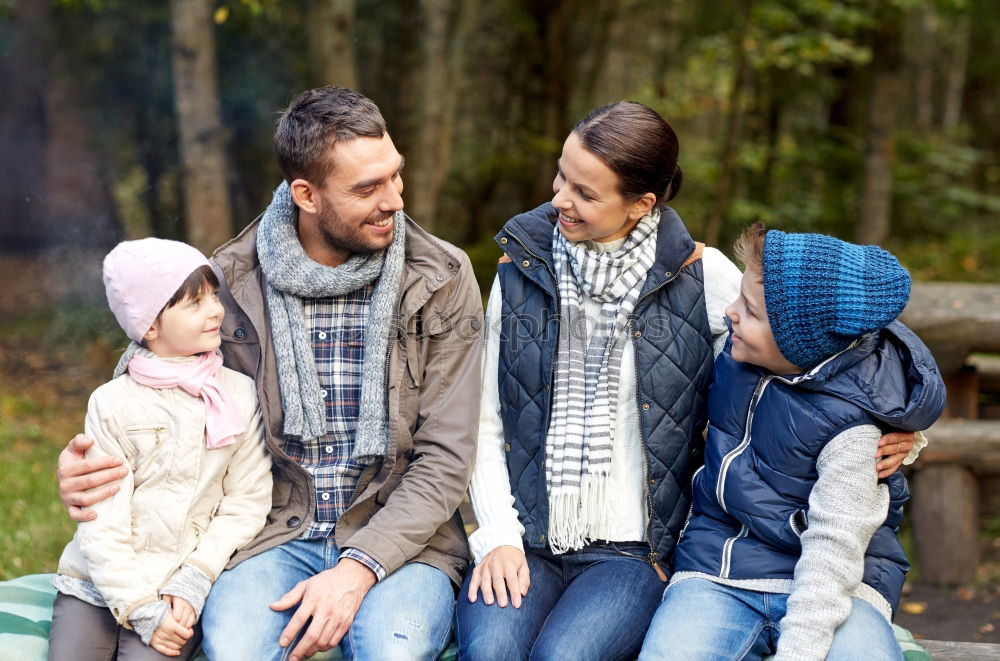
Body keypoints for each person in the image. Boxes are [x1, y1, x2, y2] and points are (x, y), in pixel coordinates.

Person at [455, 101, 919, 660]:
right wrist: (498, 537)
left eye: (585, 192)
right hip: (524, 536)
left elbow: (836, 350)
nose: (558, 198)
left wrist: (907, 428)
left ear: (641, 204)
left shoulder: (703, 277)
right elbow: (484, 415)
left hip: (632, 552)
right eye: (561, 174)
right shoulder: (520, 269)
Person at [55, 86, 484, 661]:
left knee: (394, 651)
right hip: (271, 530)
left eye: (394, 176)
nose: (395, 201)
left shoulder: (442, 277)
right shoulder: (229, 279)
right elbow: (148, 383)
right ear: (305, 194)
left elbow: (446, 457)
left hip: (403, 536)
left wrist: (356, 569)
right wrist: (87, 465)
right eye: (367, 188)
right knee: (235, 649)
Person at [637, 225, 946, 661]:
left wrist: (799, 652)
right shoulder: (736, 351)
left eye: (750, 310)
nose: (730, 312)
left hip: (841, 582)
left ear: (799, 339)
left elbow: (833, 554)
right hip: (721, 566)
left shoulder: (856, 433)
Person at [47, 238, 273, 660]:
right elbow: (101, 518)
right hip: (97, 581)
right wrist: (137, 607)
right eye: (195, 303)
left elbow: (247, 500)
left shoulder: (238, 395)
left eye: (213, 296)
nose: (216, 310)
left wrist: (195, 578)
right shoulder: (113, 403)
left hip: (178, 586)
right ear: (150, 326)